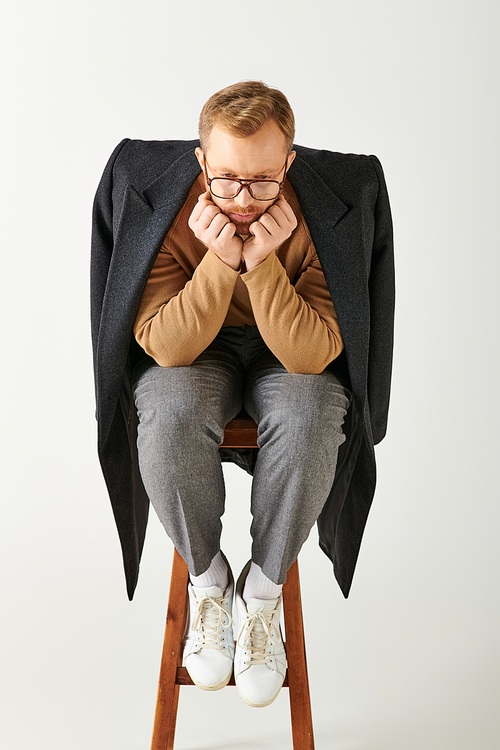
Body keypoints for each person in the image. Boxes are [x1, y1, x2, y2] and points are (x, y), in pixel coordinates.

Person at [91, 81, 394, 708]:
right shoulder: (166, 202)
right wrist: (220, 261)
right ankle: (208, 580)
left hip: (290, 350)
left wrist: (260, 263)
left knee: (311, 412)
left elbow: (311, 355)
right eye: (227, 180)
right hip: (197, 347)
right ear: (202, 162)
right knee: (169, 409)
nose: (244, 202)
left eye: (263, 182)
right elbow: (165, 346)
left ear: (290, 161)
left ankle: (261, 594)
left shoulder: (326, 203)